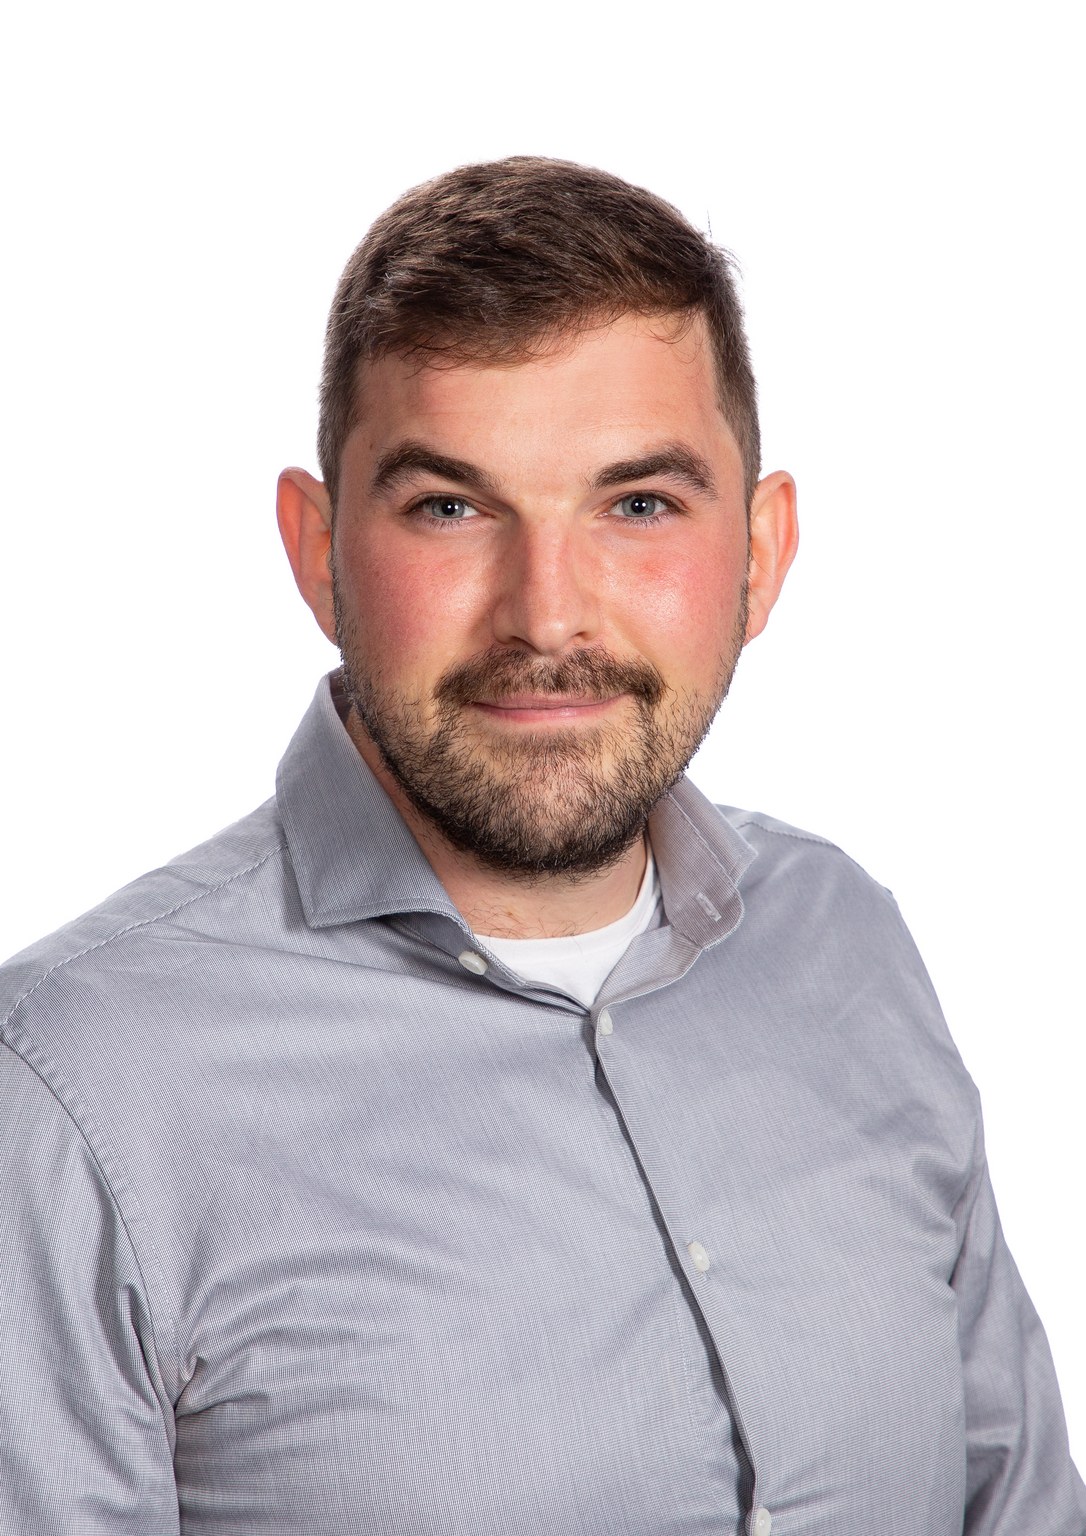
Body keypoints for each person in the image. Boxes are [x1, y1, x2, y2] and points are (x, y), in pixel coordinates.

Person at [0, 156, 1081, 1535]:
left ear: (761, 552)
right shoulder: (71, 1095)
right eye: (451, 508)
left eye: (638, 505)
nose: (547, 615)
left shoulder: (844, 944)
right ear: (316, 548)